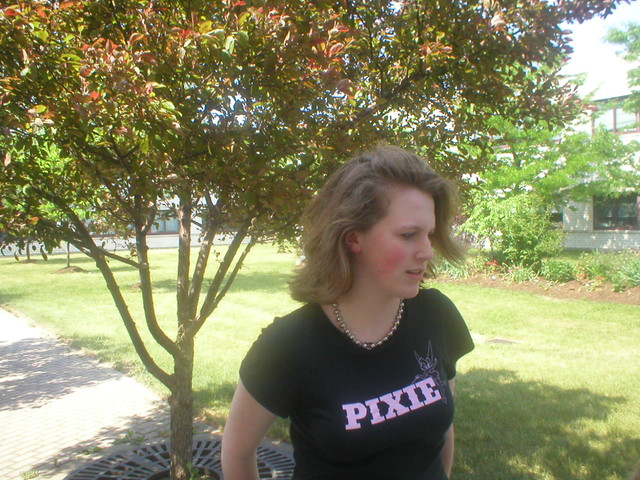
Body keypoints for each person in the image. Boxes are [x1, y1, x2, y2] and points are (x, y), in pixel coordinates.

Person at [221, 145, 474, 480]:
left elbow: (442, 432)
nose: (427, 251)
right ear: (354, 239)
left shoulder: (436, 315)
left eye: (429, 234)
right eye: (408, 235)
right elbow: (237, 454)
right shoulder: (288, 345)